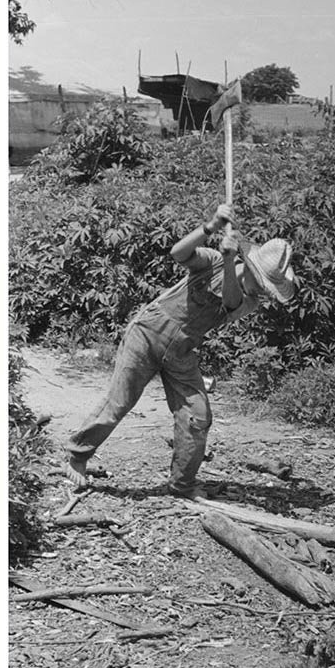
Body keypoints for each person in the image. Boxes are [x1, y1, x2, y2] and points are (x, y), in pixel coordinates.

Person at [66, 203, 295, 498]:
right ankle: (78, 454)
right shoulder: (212, 260)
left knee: (198, 416)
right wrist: (211, 226)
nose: (263, 291)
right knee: (119, 403)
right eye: (262, 283)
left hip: (182, 350)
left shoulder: (249, 300)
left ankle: (181, 483)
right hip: (147, 334)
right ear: (250, 268)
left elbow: (230, 301)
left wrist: (229, 262)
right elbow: (178, 253)